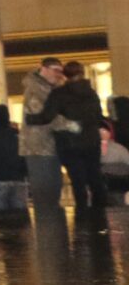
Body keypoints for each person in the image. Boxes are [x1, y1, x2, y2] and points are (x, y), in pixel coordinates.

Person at [49, 62, 108, 215]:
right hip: (91, 140)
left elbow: (51, 117)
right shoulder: (91, 93)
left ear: (65, 75)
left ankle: (82, 213)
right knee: (95, 177)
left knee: (78, 181)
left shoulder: (59, 94)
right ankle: (99, 214)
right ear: (82, 73)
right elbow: (98, 115)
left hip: (71, 143)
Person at [21, 58, 67, 214]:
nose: (59, 75)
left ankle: (52, 230)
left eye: (61, 71)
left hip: (49, 146)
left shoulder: (50, 89)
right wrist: (74, 125)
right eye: (56, 70)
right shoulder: (35, 90)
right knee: (45, 193)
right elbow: (45, 116)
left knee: (52, 191)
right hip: (38, 148)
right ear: (44, 69)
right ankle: (48, 231)